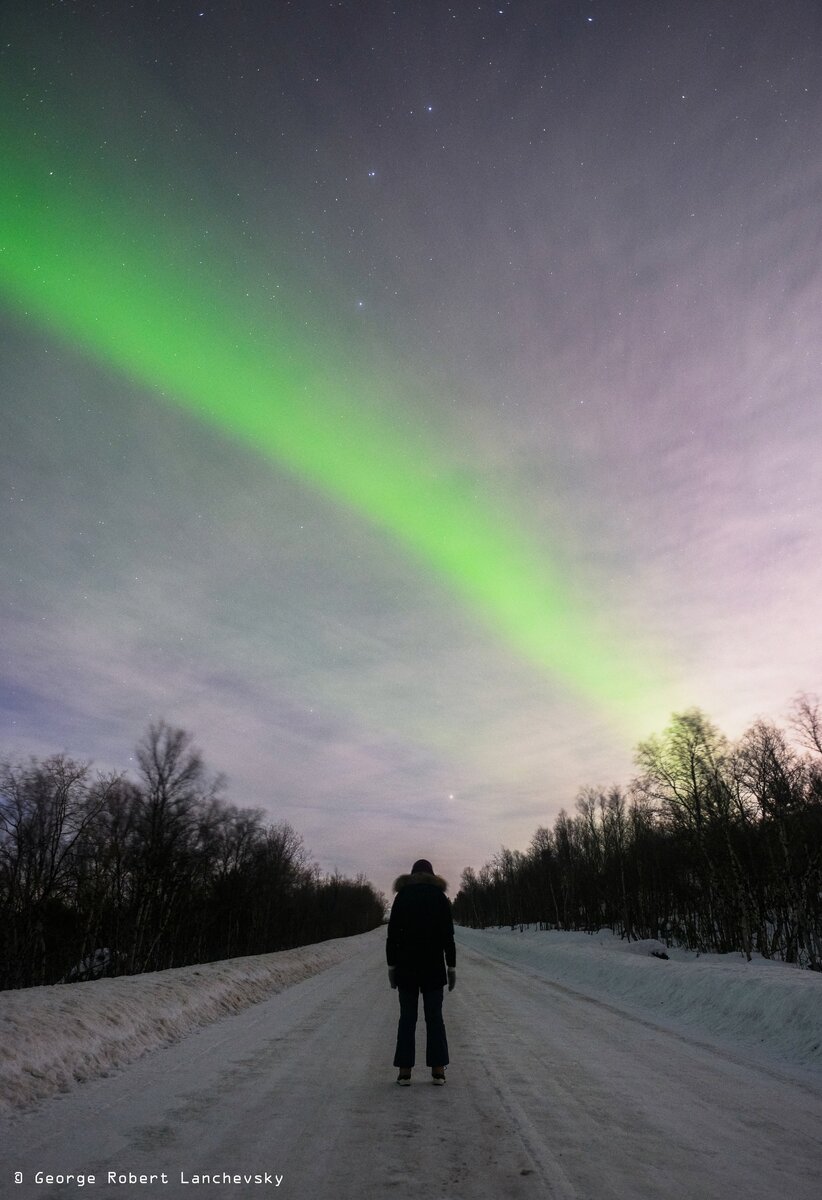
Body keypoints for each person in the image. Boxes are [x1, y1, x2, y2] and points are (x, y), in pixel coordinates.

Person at [386, 858, 456, 1086]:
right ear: (431, 874)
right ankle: (438, 1070)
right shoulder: (439, 897)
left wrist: (392, 965)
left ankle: (404, 1072)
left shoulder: (402, 896)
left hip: (406, 968)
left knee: (407, 1018)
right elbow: (448, 936)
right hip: (433, 968)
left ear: (412, 874)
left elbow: (393, 935)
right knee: (434, 1017)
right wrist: (451, 965)